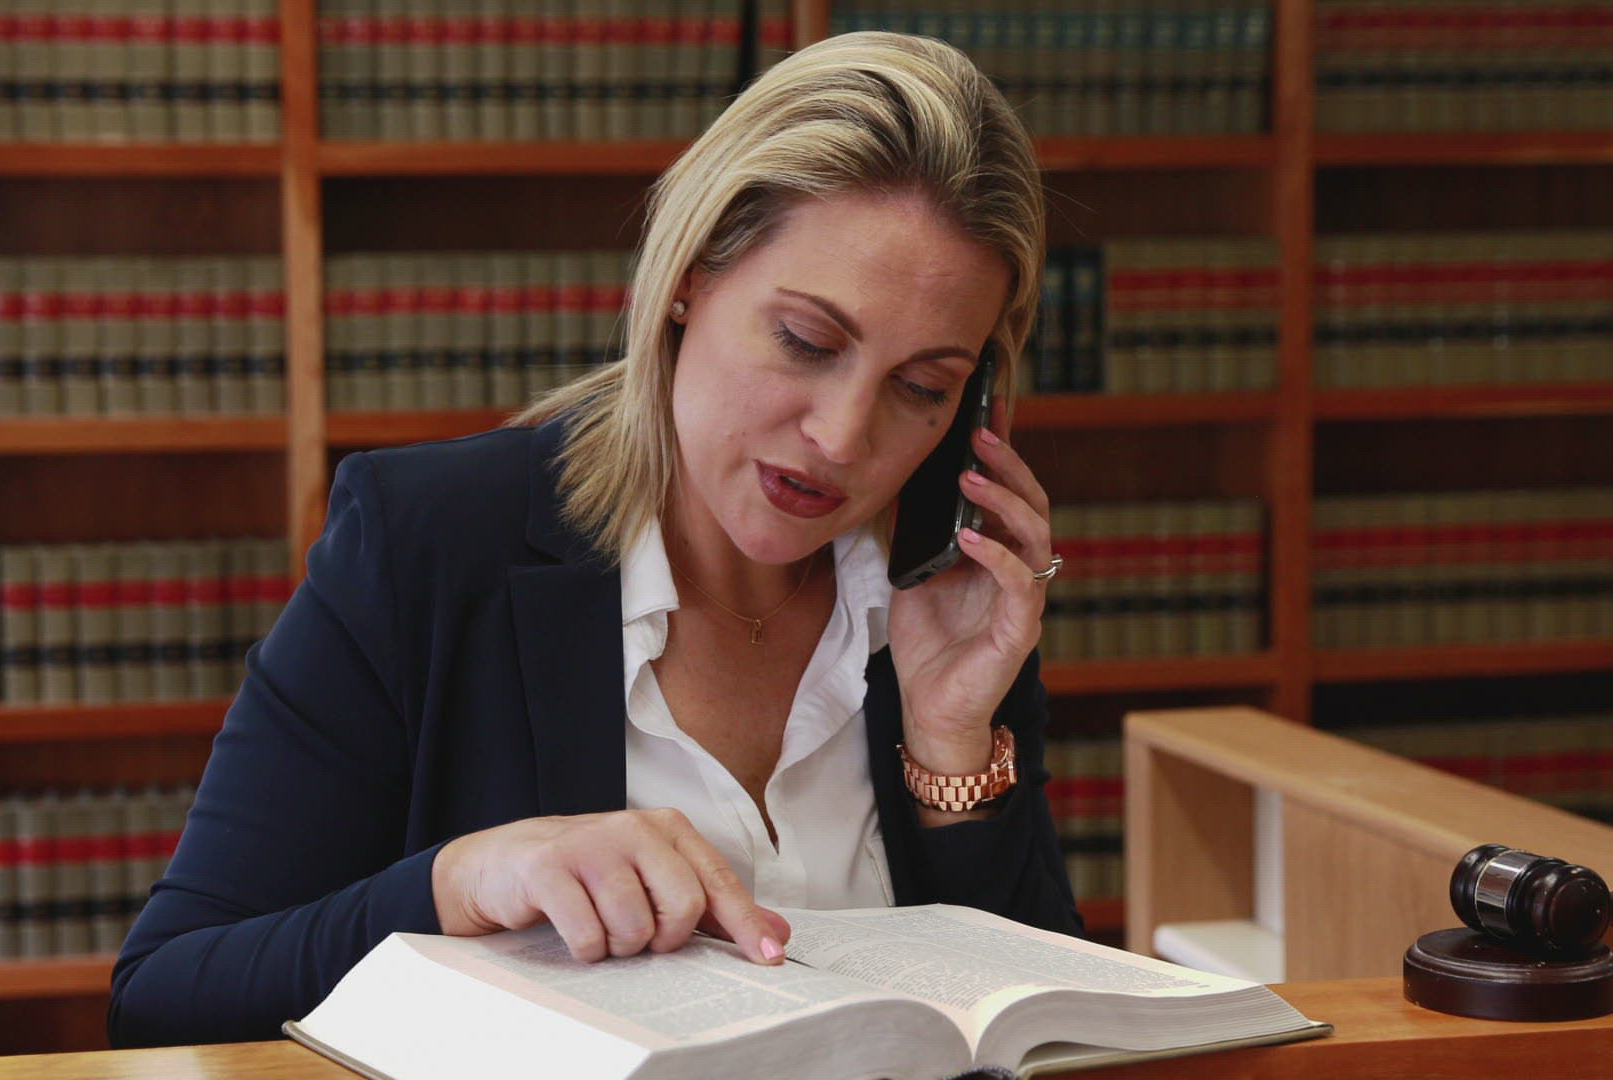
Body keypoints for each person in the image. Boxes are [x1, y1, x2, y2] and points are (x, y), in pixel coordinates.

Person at [109, 30, 1080, 1049]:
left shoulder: (940, 602)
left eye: (921, 387)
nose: (843, 437)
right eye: (806, 341)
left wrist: (951, 750)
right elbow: (163, 996)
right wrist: (458, 883)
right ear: (689, 275)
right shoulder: (427, 543)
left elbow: (1049, 1033)